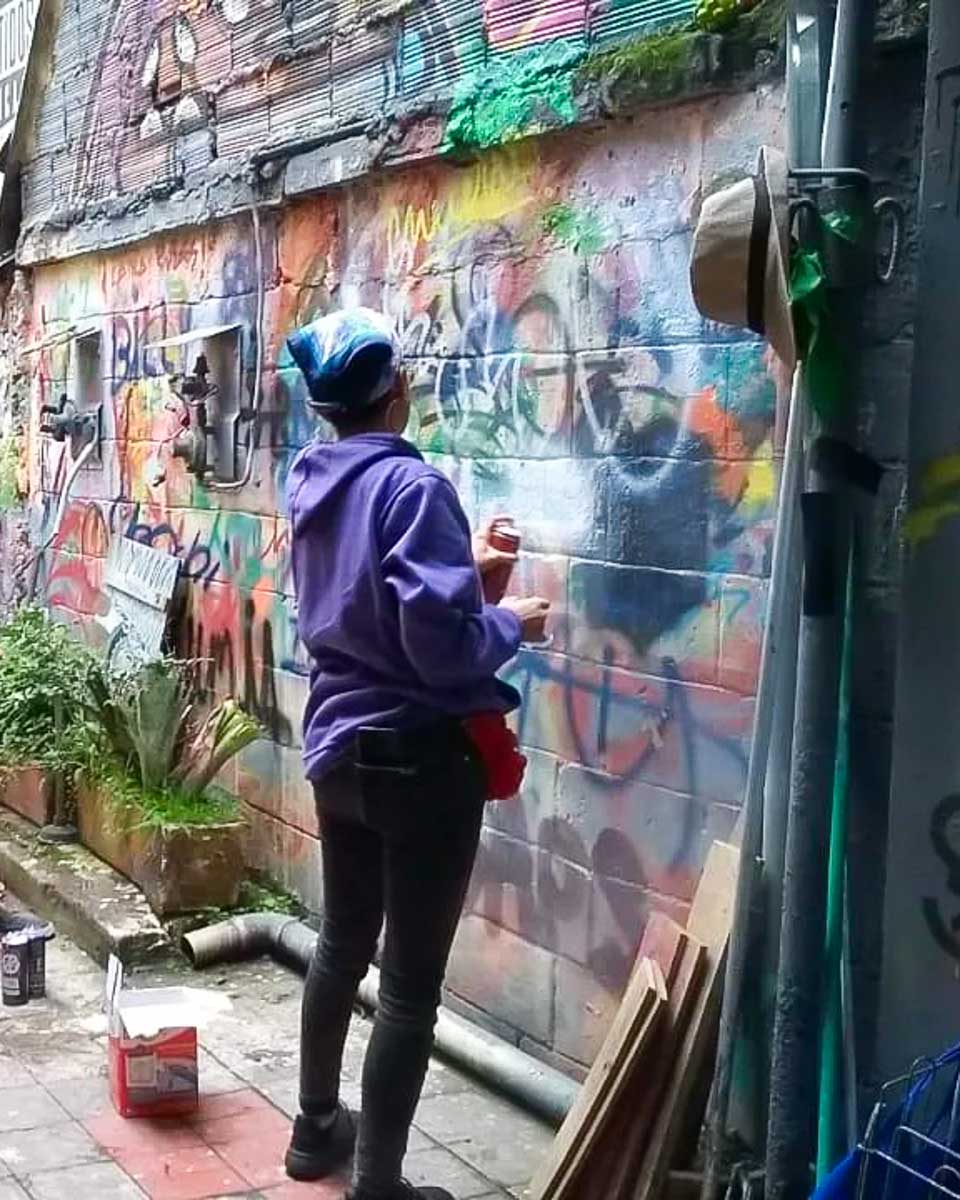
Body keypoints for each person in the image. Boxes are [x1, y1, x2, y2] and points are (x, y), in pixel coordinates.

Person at [282, 307, 550, 1200]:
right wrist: (510, 620)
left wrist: (459, 575)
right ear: (396, 392)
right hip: (419, 765)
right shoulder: (415, 489)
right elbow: (437, 651)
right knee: (406, 990)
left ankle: (316, 1129)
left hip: (338, 747)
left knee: (341, 942)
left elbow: (367, 604)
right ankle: (381, 1187)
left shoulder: (310, 479)